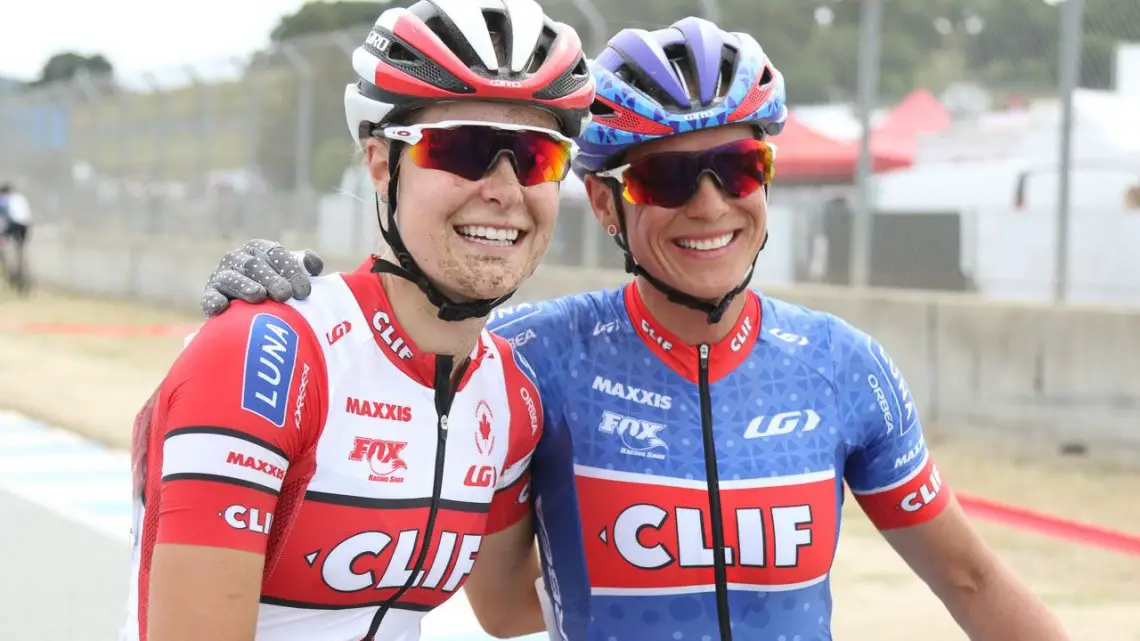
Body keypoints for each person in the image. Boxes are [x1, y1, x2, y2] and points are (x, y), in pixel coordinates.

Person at [196, 18, 1070, 641]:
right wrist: (277, 290)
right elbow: (500, 608)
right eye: (672, 176)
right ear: (607, 205)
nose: (710, 204)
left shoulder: (844, 365)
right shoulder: (530, 358)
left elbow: (972, 578)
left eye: (738, 166)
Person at [124, 2, 594, 640]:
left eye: (537, 156)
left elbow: (511, 606)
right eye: (464, 148)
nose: (504, 189)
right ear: (380, 163)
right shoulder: (272, 356)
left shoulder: (507, 392)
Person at [0, 183, 32, 292]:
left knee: (3, 241)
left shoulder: (5, 198)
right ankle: (21, 267)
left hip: (14, 223)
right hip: (26, 225)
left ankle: (6, 261)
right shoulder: (20, 198)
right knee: (20, 248)